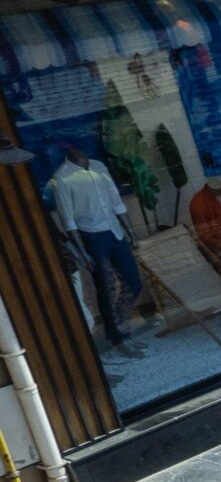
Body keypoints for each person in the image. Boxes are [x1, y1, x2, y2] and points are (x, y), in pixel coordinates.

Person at [47, 146, 141, 351]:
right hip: (92, 236)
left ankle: (120, 325)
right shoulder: (62, 178)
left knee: (133, 282)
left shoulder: (99, 167)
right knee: (106, 287)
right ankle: (118, 337)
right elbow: (68, 220)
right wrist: (82, 251)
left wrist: (131, 232)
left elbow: (116, 202)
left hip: (115, 232)